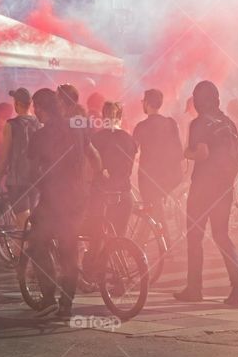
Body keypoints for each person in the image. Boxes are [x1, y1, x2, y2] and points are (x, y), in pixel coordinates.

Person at [27, 88, 101, 318]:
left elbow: (31, 173)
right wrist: (97, 181)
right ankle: (66, 306)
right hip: (77, 200)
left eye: (35, 108)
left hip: (51, 202)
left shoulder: (40, 136)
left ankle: (48, 297)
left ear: (40, 109)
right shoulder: (77, 128)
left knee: (36, 244)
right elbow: (94, 157)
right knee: (69, 253)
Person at [174, 81, 238, 305]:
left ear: (198, 100)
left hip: (203, 188)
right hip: (225, 187)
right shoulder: (228, 122)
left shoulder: (199, 123)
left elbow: (202, 153)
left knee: (195, 237)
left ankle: (194, 288)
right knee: (222, 235)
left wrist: (187, 152)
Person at [132, 89, 184, 231]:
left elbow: (130, 151)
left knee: (150, 216)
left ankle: (154, 248)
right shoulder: (171, 123)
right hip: (170, 177)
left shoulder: (141, 127)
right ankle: (162, 248)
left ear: (147, 103)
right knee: (155, 213)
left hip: (149, 179)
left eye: (143, 101)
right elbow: (179, 151)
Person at [88, 101, 137, 250]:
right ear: (120, 118)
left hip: (101, 196)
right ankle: (119, 271)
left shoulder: (95, 139)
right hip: (124, 194)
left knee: (97, 240)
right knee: (118, 241)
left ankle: (97, 270)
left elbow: (90, 167)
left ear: (103, 117)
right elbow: (129, 169)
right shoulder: (130, 139)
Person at [0, 88, 40, 232]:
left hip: (17, 181)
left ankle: (29, 252)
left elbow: (5, 157)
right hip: (36, 180)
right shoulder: (39, 123)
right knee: (31, 220)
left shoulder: (11, 125)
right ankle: (23, 252)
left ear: (18, 104)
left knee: (23, 222)